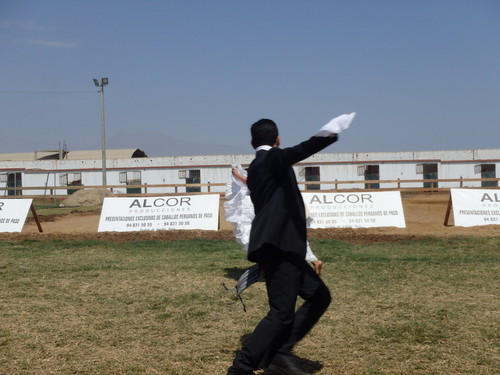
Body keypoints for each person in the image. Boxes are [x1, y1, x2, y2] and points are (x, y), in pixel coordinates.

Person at [226, 113, 355, 375]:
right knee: (281, 313)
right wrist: (329, 132)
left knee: (319, 296)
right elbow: (300, 150)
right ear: (277, 140)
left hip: (282, 246)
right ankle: (243, 367)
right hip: (279, 246)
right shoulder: (272, 157)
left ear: (253, 142)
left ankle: (279, 353)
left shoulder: (259, 165)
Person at [225, 165, 323, 275]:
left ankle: (270, 265)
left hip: (268, 211)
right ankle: (312, 260)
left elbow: (250, 183)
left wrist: (236, 174)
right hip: (276, 210)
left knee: (266, 237)